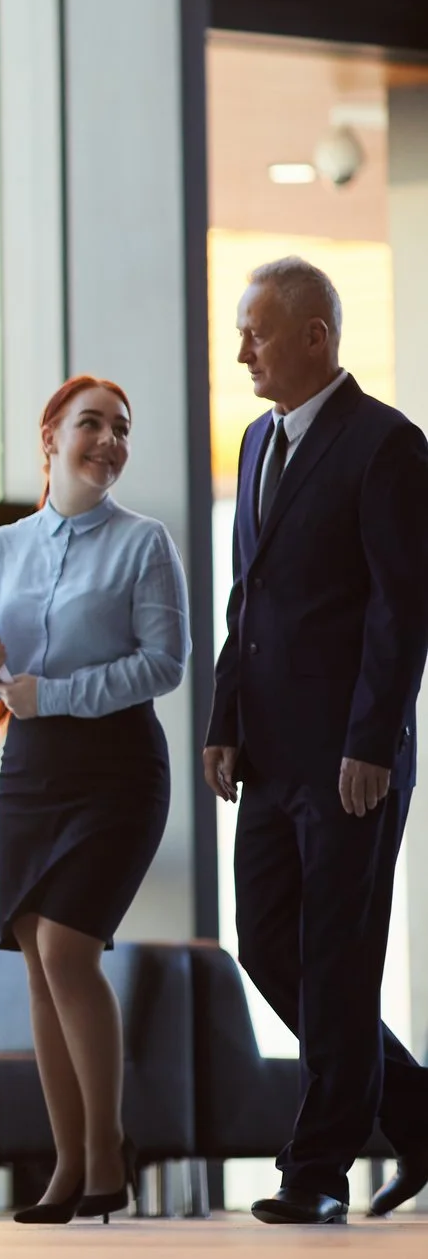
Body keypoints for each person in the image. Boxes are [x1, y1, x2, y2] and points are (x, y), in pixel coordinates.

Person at [204, 257, 428, 1225]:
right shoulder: (255, 441)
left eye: (254, 329)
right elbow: (244, 597)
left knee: (337, 954)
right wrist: (223, 720)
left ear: (314, 336)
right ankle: (418, 1110)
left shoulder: (387, 445)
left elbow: (401, 605)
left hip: (351, 757)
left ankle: (316, 1169)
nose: (240, 348)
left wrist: (371, 739)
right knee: (267, 943)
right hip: (270, 753)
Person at [0, 375, 188, 1224]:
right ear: (50, 432)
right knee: (38, 968)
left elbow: (163, 664)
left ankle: (105, 1152)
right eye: (92, 423)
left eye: (122, 429)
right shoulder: (2, 546)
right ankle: (69, 1163)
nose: (110, 441)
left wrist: (51, 693)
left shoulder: (145, 543)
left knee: (65, 950)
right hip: (30, 770)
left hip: (117, 769)